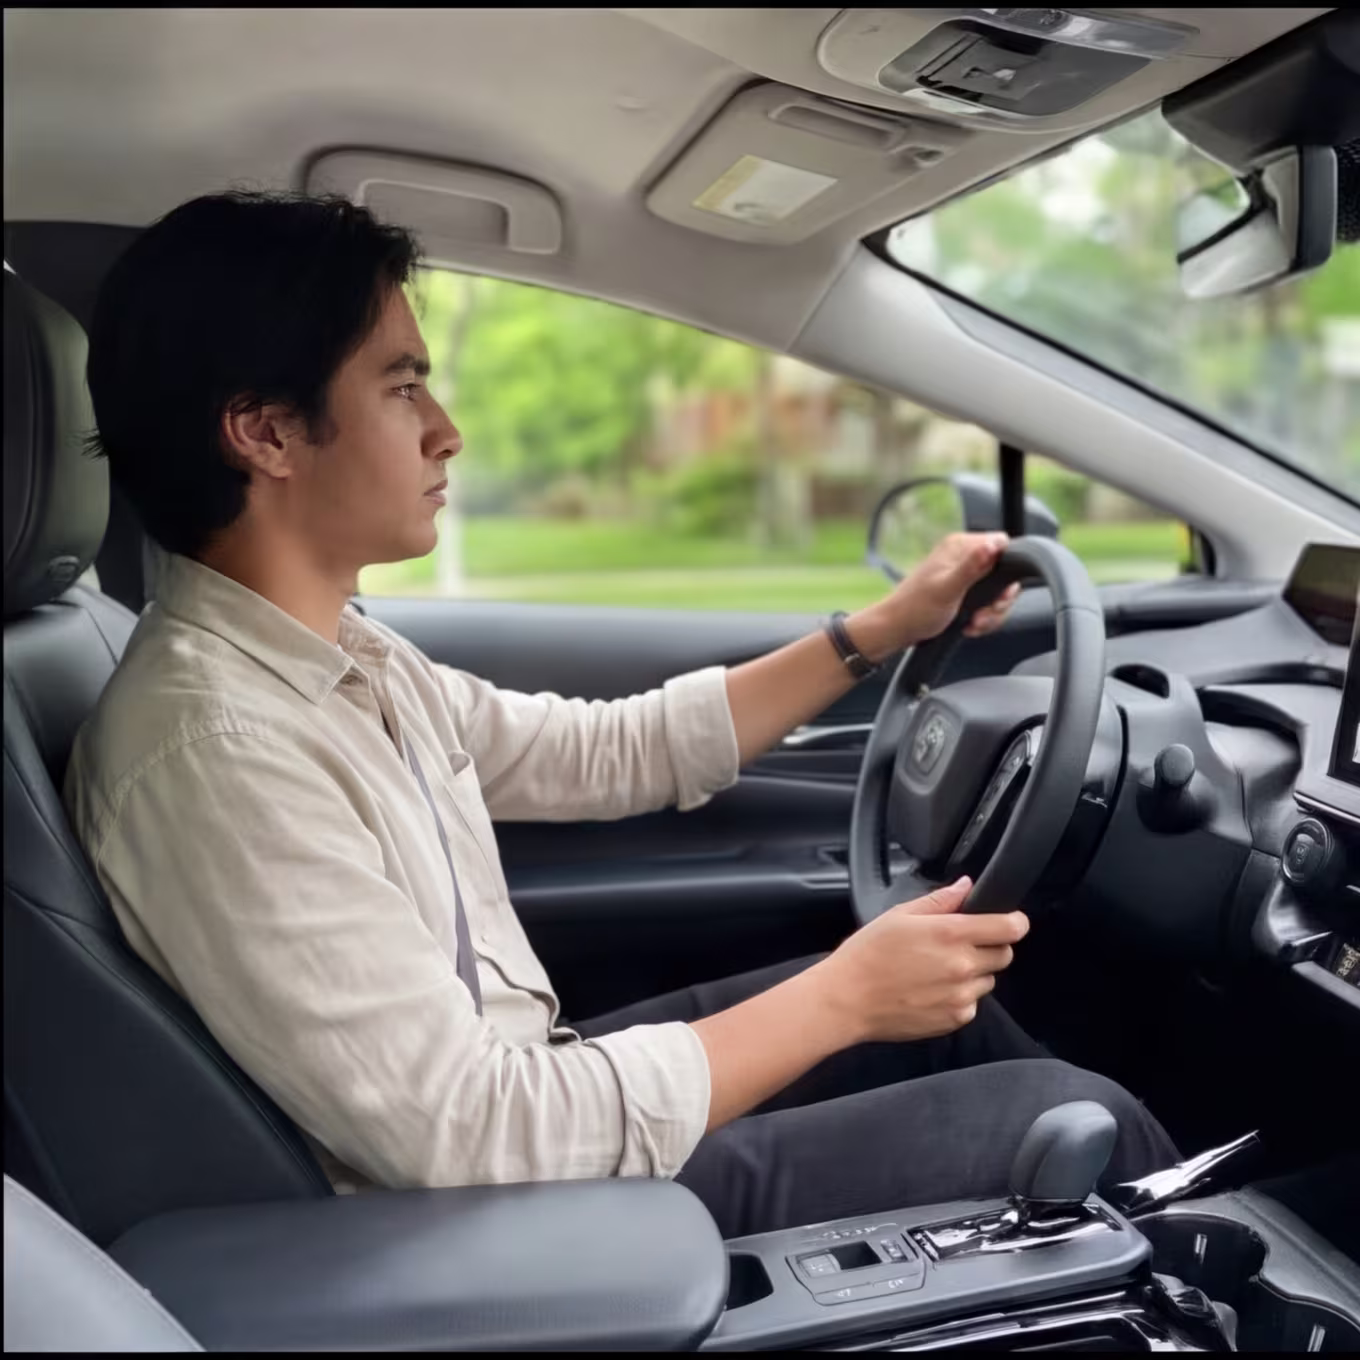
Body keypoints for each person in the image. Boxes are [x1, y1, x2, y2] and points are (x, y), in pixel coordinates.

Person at [65, 190, 1178, 1241]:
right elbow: (468, 1136)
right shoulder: (214, 748)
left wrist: (879, 631)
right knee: (1072, 1115)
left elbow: (612, 752)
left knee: (959, 1019)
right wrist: (844, 995)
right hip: (492, 1225)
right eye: (403, 387)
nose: (444, 430)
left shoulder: (339, 659)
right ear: (263, 434)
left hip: (526, 1108)